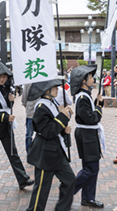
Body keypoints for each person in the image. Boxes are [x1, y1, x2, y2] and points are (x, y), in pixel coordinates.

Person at [26, 79, 75, 211]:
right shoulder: (41, 107)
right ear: (46, 90)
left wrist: (64, 130)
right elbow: (47, 131)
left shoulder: (52, 102)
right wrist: (63, 117)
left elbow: (55, 127)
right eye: (54, 87)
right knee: (41, 190)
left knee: (70, 180)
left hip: (56, 152)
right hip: (45, 153)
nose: (58, 89)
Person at [71, 65, 105, 208]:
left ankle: (88, 198)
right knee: (91, 168)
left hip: (89, 134)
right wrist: (99, 107)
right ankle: (69, 190)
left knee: (91, 167)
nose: (93, 79)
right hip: (87, 135)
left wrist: (98, 104)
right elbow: (91, 119)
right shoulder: (83, 97)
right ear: (83, 81)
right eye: (90, 77)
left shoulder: (85, 95)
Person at [21, 83, 37, 153]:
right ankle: (30, 151)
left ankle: (29, 152)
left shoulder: (27, 82)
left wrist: (27, 106)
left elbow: (24, 99)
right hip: (35, 111)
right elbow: (24, 98)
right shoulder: (28, 83)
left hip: (31, 110)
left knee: (29, 134)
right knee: (30, 134)